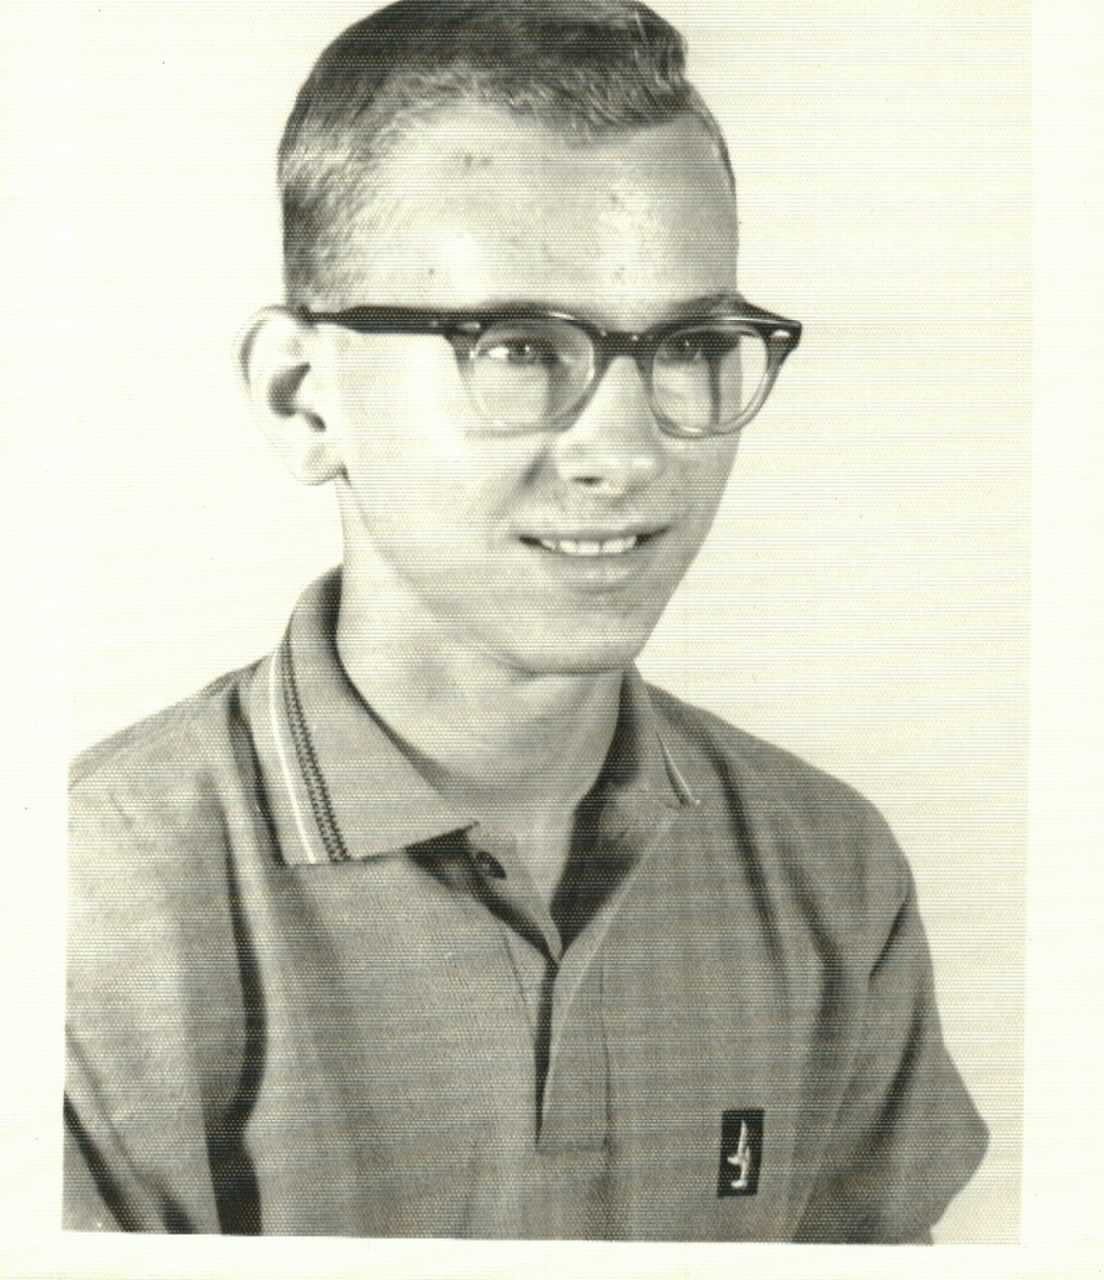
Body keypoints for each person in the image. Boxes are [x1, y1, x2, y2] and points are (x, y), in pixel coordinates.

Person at [64, 0, 987, 1241]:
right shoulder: (88, 901)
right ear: (303, 398)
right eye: (513, 345)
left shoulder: (827, 869)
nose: (628, 450)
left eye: (690, 343)